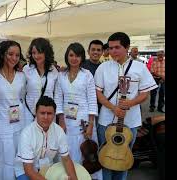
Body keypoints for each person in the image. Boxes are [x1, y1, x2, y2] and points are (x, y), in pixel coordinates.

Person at [94, 32, 157, 180]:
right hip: (106, 120)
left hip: (131, 121)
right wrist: (113, 108)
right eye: (110, 48)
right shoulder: (103, 68)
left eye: (117, 47)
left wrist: (130, 103)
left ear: (127, 47)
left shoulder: (140, 68)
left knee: (124, 156)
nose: (113, 51)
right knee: (105, 155)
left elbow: (144, 93)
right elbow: (98, 93)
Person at [55, 42, 101, 179]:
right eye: (71, 55)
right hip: (66, 121)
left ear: (82, 58)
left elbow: (92, 100)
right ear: (67, 56)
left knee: (85, 153)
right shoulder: (61, 75)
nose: (74, 58)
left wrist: (91, 124)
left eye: (77, 56)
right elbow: (57, 98)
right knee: (67, 151)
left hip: (83, 120)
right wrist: (61, 121)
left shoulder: (87, 75)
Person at [0, 40, 27, 180]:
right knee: (0, 154)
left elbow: (22, 97)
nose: (14, 58)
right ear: (2, 54)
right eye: (10, 54)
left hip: (19, 121)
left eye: (17, 55)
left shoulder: (21, 76)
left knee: (16, 152)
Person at [15, 96, 78, 180]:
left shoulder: (59, 131)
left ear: (54, 114)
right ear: (36, 113)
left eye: (49, 113)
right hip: (26, 172)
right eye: (42, 113)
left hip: (49, 169)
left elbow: (66, 160)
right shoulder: (27, 134)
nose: (45, 117)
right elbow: (29, 170)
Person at [23, 37, 58, 127]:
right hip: (29, 114)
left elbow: (56, 94)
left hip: (48, 115)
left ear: (46, 53)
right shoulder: (26, 69)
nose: (36, 56)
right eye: (34, 53)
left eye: (39, 52)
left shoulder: (53, 70)